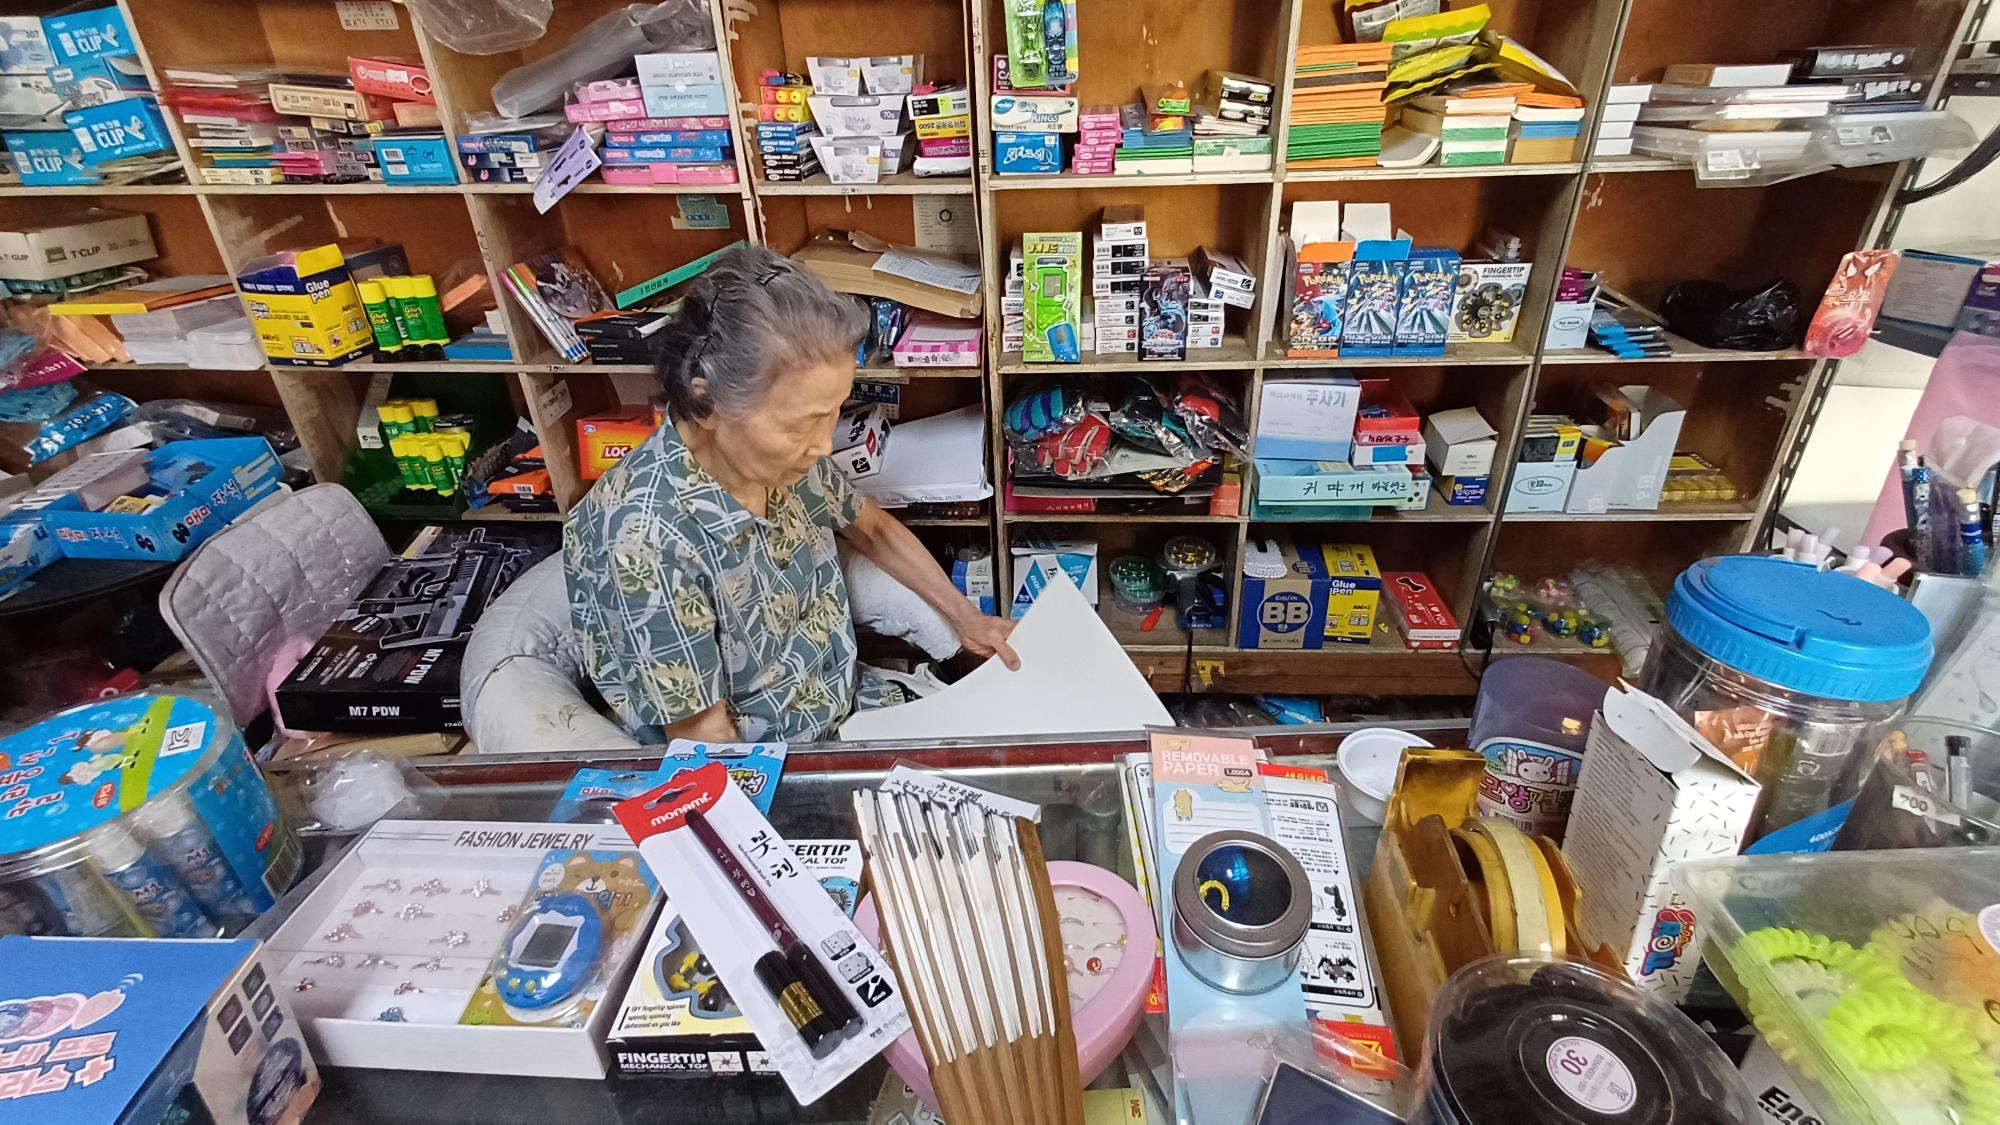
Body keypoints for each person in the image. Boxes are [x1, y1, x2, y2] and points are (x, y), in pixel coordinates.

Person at [563, 244, 1017, 743]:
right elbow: (706, 741)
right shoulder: (645, 542)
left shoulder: (778, 459)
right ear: (707, 401)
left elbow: (872, 528)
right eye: (802, 424)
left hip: (847, 702)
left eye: (833, 412)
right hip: (773, 759)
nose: (823, 445)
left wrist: (968, 619)